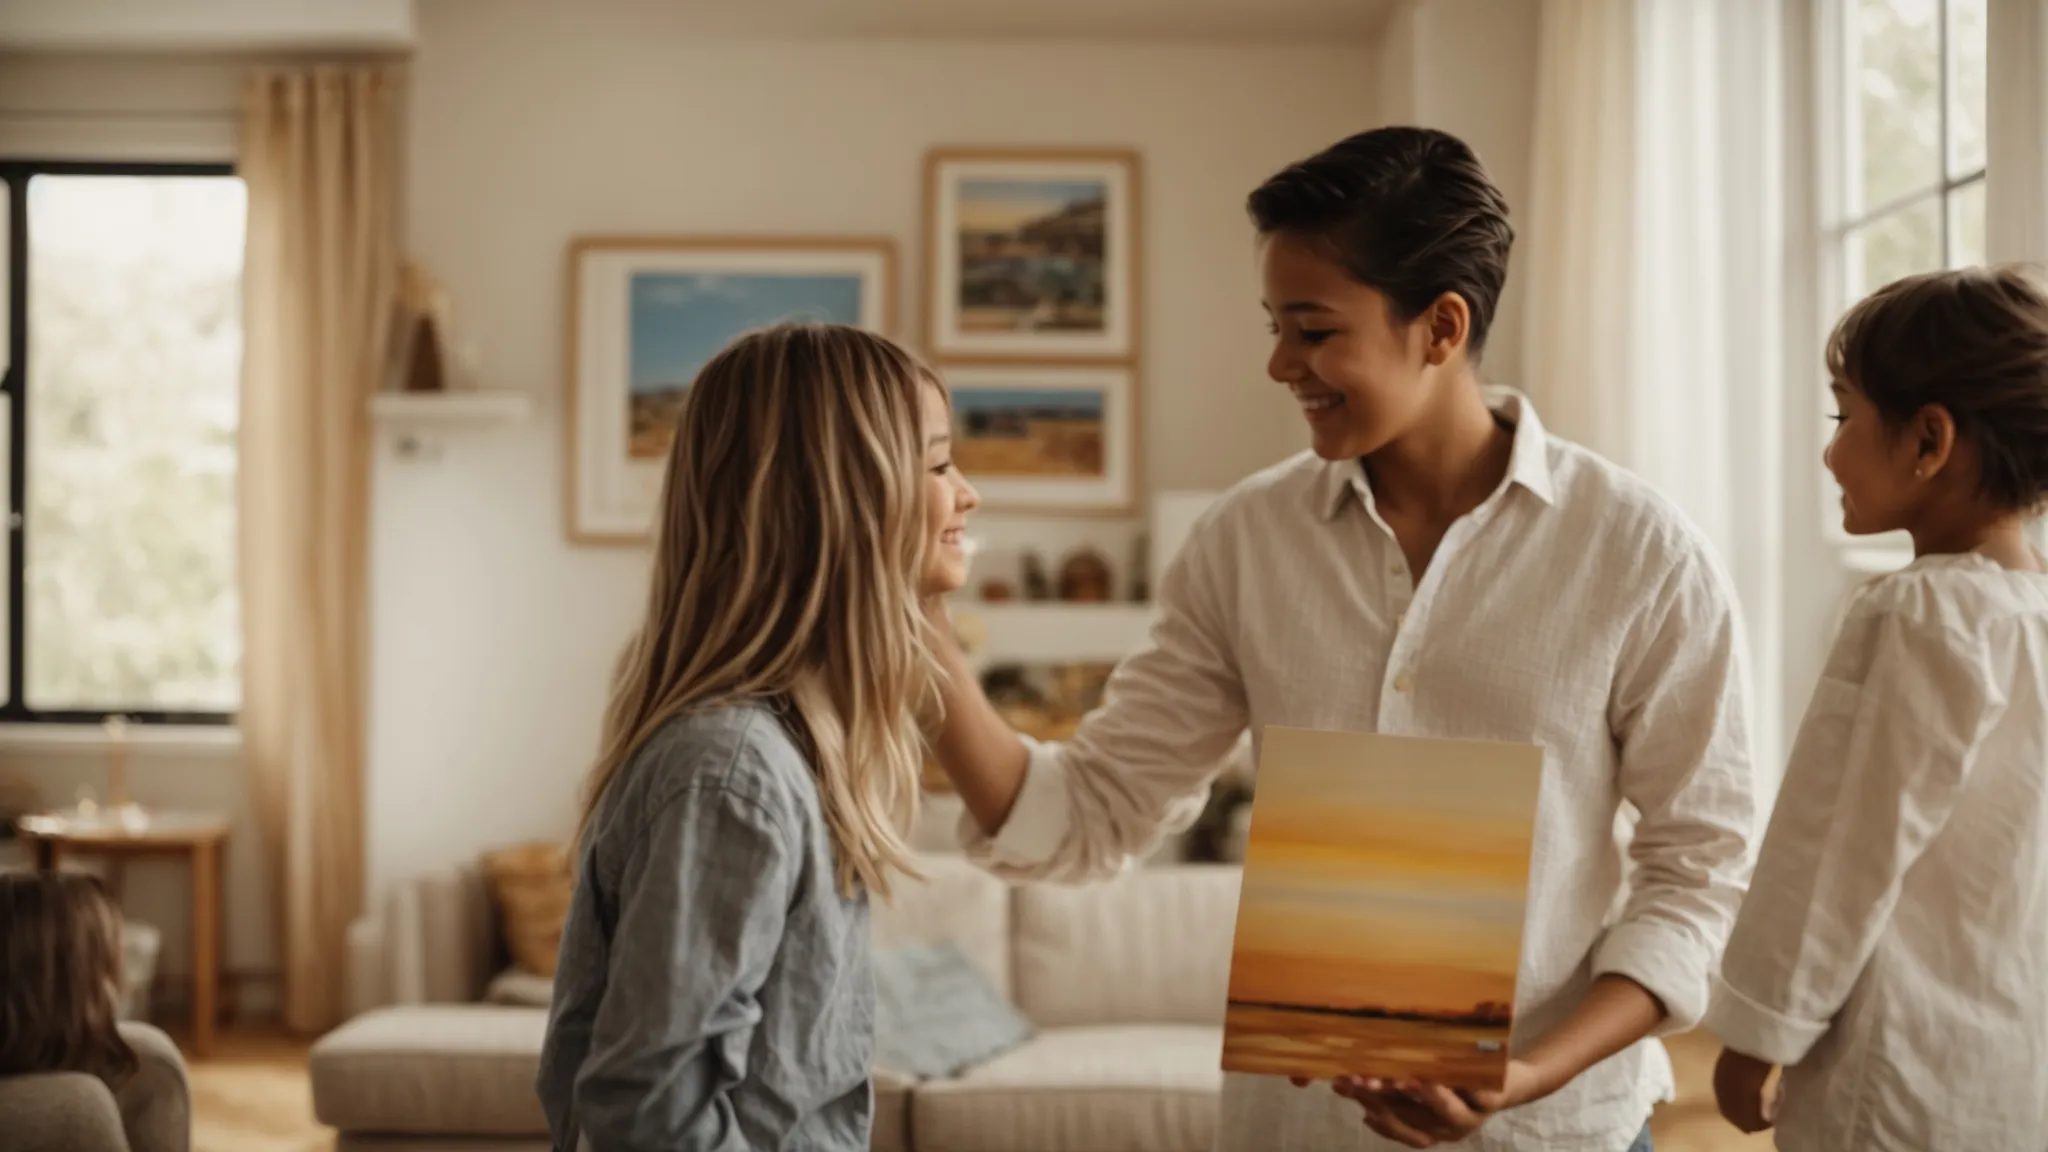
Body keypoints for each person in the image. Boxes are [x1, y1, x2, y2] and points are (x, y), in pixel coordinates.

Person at [923, 126, 1760, 1152]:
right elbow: (1091, 811)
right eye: (1274, 326)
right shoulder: (1243, 542)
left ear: (1439, 326)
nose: (1281, 364)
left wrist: (1528, 1072)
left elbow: (1700, 869)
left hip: (1554, 1134)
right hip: (1298, 1132)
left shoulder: (1638, 553)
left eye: (1313, 331)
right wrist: (916, 626)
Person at [536, 322, 981, 1152]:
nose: (967, 494)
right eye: (938, 463)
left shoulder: (790, 756)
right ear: (846, 500)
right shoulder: (730, 775)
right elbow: (651, 1115)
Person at [1706, 265, 2048, 1152]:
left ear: (1929, 440)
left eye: (1843, 416)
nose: (1829, 451)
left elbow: (1836, 850)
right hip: (2016, 1067)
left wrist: (1757, 1031)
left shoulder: (1922, 613)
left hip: (1897, 1076)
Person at [0, 871, 191, 1152]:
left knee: (150, 1059)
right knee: (82, 1104)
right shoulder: (78, 1111)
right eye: (103, 970)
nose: (121, 984)